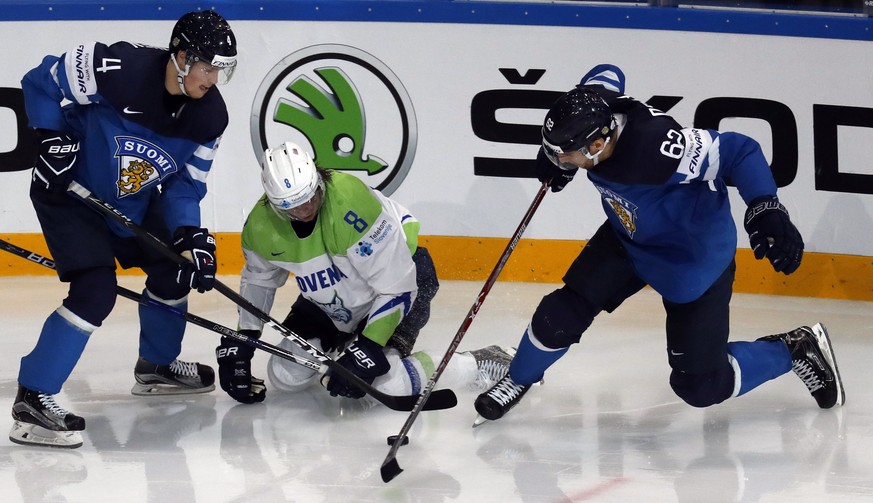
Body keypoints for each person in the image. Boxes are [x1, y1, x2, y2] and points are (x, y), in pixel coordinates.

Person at [473, 64, 845, 424]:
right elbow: (607, 71)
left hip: (691, 260)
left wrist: (765, 207)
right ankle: (520, 376)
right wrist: (558, 156)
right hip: (628, 235)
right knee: (560, 314)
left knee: (701, 386)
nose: (558, 160)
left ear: (597, 145)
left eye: (564, 153)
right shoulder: (594, 101)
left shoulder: (659, 148)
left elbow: (739, 151)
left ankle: (795, 349)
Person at [10, 10, 238, 448]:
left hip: (132, 201)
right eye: (208, 66)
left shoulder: (211, 119)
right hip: (70, 193)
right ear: (182, 56)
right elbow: (41, 79)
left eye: (221, 69)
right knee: (96, 290)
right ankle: (33, 398)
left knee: (174, 268)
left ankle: (156, 366)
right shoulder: (117, 68)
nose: (213, 78)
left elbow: (184, 185)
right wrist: (51, 137)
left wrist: (189, 235)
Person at [215, 141, 513, 404]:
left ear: (318, 179)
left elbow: (398, 286)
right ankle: (346, 349)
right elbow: (259, 281)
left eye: (310, 196)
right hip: (333, 301)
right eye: (292, 206)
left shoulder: (351, 207)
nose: (305, 209)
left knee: (389, 384)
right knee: (284, 376)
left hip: (400, 282)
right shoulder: (259, 227)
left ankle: (478, 363)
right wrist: (243, 339)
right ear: (272, 202)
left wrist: (368, 349)